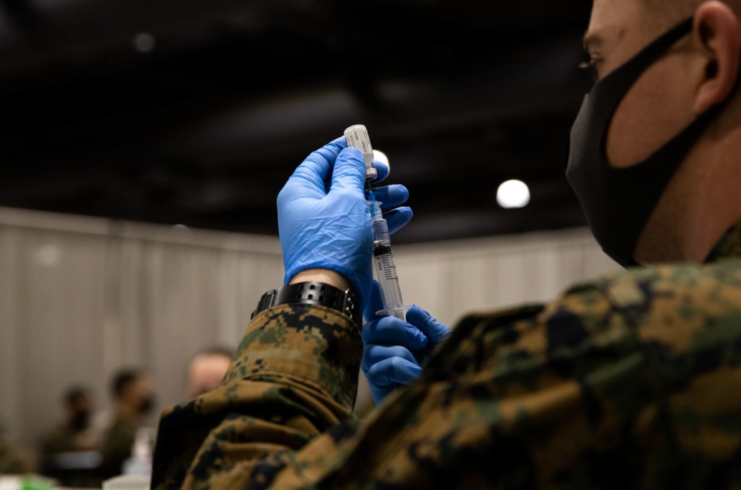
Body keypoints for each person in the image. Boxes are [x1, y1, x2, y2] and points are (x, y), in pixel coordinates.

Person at [151, 0, 741, 486]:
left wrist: (316, 291)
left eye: (598, 63)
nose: (589, 100)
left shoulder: (643, 343)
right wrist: (459, 411)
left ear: (711, 57)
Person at [100, 370, 155, 480]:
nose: (148, 393)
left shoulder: (139, 424)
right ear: (128, 390)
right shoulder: (113, 427)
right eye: (143, 388)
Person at [40, 387, 95, 456]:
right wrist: (72, 446)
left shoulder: (95, 434)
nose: (83, 412)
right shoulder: (54, 438)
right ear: (69, 407)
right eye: (79, 408)